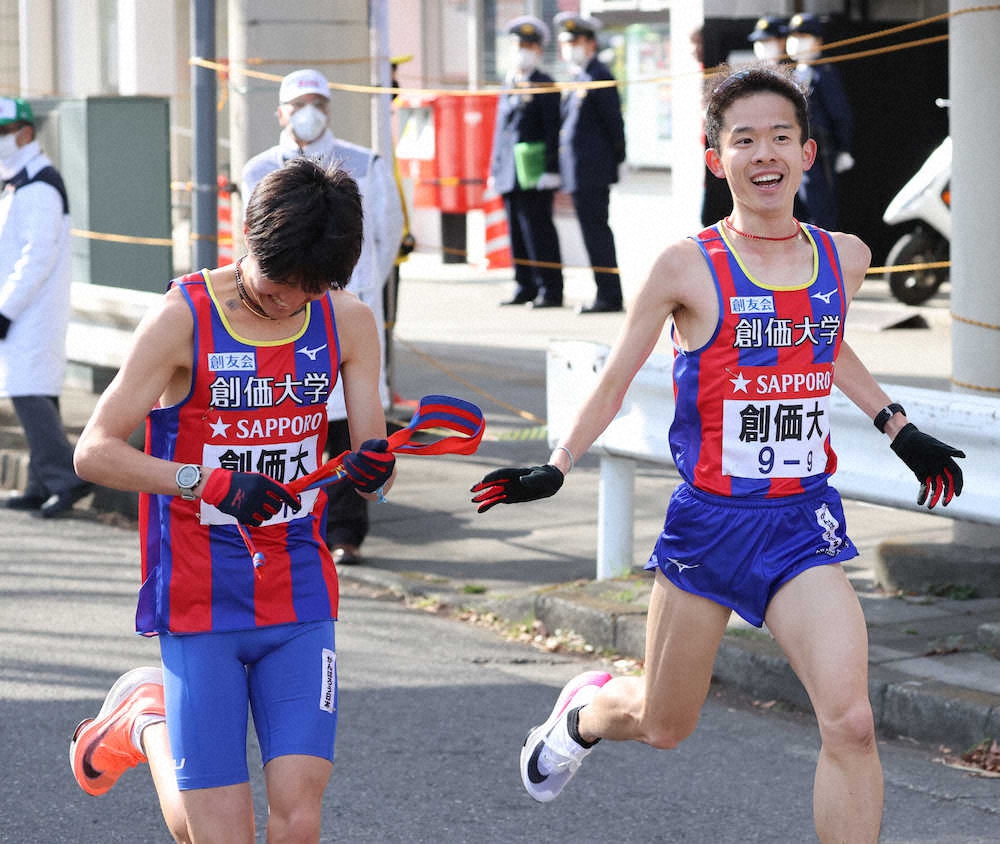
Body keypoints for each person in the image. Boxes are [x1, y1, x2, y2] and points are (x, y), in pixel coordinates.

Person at [471, 65, 965, 841]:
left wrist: (898, 427)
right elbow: (617, 377)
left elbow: (823, 349)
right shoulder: (685, 266)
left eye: (779, 138)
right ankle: (586, 714)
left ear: (807, 153)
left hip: (801, 524)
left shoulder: (847, 257)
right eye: (744, 140)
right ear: (716, 159)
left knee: (853, 722)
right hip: (710, 526)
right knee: (664, 723)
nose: (763, 154)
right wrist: (558, 462)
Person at [69, 159, 397, 844]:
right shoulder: (181, 319)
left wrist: (371, 467)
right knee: (215, 836)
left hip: (299, 588)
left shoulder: (349, 322)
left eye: (308, 292)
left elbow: (374, 460)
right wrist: (209, 483)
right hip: (197, 594)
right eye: (278, 286)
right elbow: (94, 451)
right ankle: (146, 722)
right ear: (247, 233)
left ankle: (156, 724)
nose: (287, 304)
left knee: (298, 818)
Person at [243, 68, 404, 567]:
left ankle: (347, 533)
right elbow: (250, 242)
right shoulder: (259, 169)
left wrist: (350, 298)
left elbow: (385, 235)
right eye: (298, 103)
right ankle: (284, 524)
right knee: (289, 418)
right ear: (280, 112)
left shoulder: (365, 162)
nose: (308, 112)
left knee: (353, 428)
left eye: (317, 102)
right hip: (279, 316)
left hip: (343, 311)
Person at [0, 97, 93, 517]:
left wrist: (7, 309)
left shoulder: (39, 184)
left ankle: (65, 476)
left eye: (4, 132)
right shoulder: (20, 180)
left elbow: (36, 256)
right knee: (36, 390)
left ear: (26, 133)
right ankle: (41, 484)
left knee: (28, 391)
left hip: (31, 309)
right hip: (26, 307)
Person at [553, 12, 626, 314]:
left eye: (575, 41)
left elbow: (613, 123)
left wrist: (619, 160)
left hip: (593, 173)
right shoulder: (578, 76)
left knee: (597, 233)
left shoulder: (599, 76)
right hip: (579, 173)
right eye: (566, 42)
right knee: (591, 233)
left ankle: (609, 295)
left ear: (590, 43)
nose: (570, 47)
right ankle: (605, 292)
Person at [490, 15, 565, 309]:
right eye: (518, 45)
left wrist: (551, 168)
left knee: (539, 231)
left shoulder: (545, 84)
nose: (522, 50)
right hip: (510, 171)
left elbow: (551, 129)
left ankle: (551, 288)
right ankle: (525, 285)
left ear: (537, 50)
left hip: (535, 172)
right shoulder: (508, 82)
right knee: (517, 233)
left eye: (528, 45)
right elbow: (500, 131)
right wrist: (494, 169)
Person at [786, 13, 854, 230]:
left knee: (820, 208)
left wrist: (844, 147)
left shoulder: (824, 73)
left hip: (819, 150)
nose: (797, 43)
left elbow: (839, 111)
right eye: (794, 37)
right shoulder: (793, 74)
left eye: (804, 37)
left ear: (818, 41)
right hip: (793, 148)